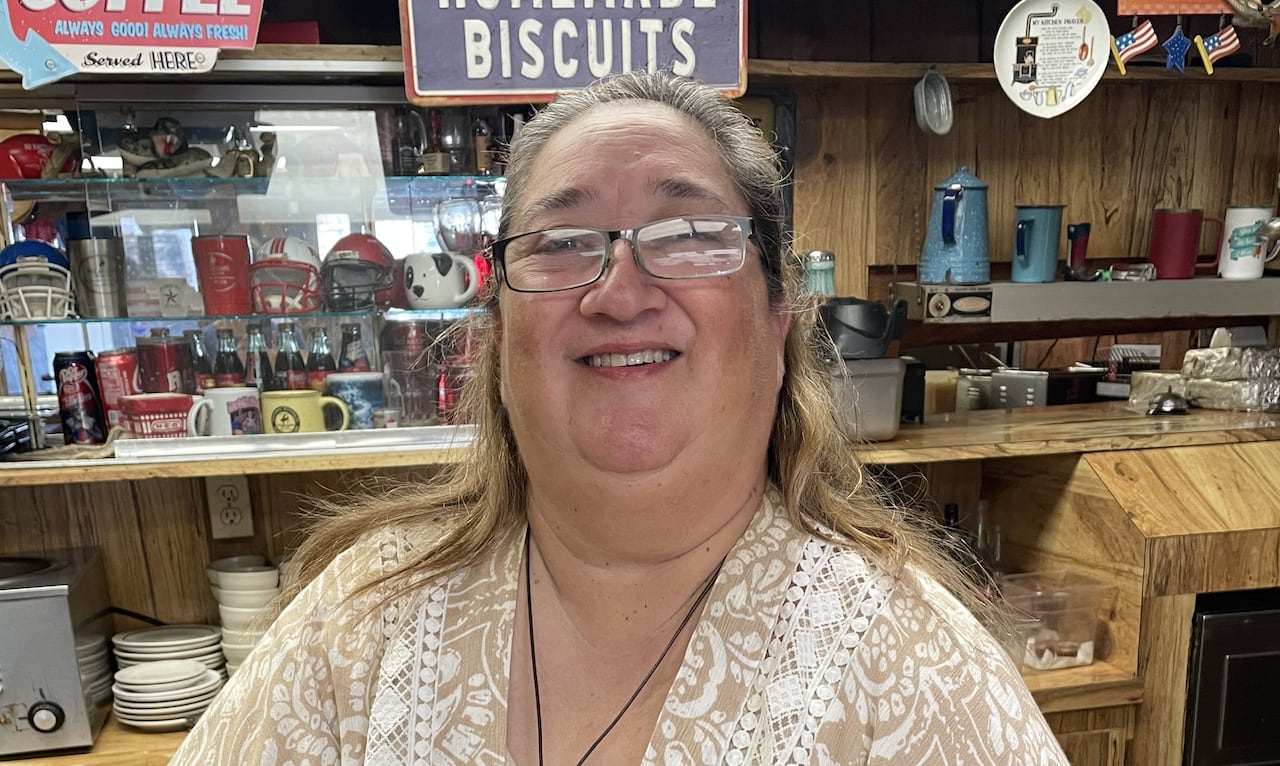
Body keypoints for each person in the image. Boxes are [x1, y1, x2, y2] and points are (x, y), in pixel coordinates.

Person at [171, 70, 1069, 765]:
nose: (620, 291)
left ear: (776, 317)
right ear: (497, 338)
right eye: (562, 244)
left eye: (686, 235)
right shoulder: (359, 625)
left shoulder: (915, 666)